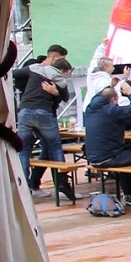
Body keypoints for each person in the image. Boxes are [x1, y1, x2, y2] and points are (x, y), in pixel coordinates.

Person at [16, 57, 79, 201]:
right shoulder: (60, 80)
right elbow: (65, 97)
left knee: (24, 151)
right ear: (63, 70)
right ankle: (62, 183)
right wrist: (55, 92)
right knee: (55, 148)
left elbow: (15, 73)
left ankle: (24, 186)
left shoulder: (36, 69)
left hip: (25, 111)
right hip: (44, 113)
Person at [84, 84, 131, 205]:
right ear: (112, 100)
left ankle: (128, 193)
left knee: (127, 159)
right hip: (108, 156)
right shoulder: (111, 110)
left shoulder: (90, 109)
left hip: (92, 157)